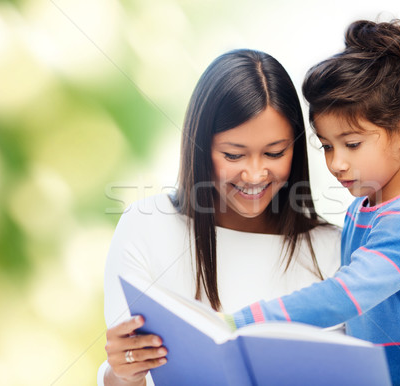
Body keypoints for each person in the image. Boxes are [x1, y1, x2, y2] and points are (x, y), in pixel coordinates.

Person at [225, 20, 400, 385]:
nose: (336, 162)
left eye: (352, 144)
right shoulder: (363, 209)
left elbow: (344, 296)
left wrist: (241, 323)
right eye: (326, 145)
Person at [98, 49, 342, 385]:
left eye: (275, 152)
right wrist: (121, 375)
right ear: (199, 147)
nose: (255, 174)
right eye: (233, 154)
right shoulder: (146, 227)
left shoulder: (334, 250)